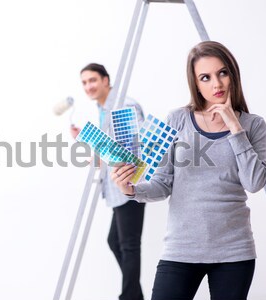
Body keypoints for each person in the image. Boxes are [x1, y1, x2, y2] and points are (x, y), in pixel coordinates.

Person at [111, 41, 266, 300]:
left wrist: (234, 127)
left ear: (233, 74)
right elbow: (162, 183)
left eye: (222, 73)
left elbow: (254, 182)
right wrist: (131, 189)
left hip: (234, 252)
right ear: (196, 83)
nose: (216, 84)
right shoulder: (177, 119)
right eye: (205, 77)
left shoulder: (253, 125)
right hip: (181, 250)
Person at [71, 63, 146, 300]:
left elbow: (130, 150)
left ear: (106, 80)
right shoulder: (103, 108)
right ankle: (135, 295)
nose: (88, 86)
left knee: (128, 245)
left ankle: (129, 297)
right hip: (115, 187)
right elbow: (110, 151)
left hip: (130, 183)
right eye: (84, 82)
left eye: (92, 80)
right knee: (115, 241)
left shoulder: (124, 105)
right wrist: (86, 139)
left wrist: (89, 137)